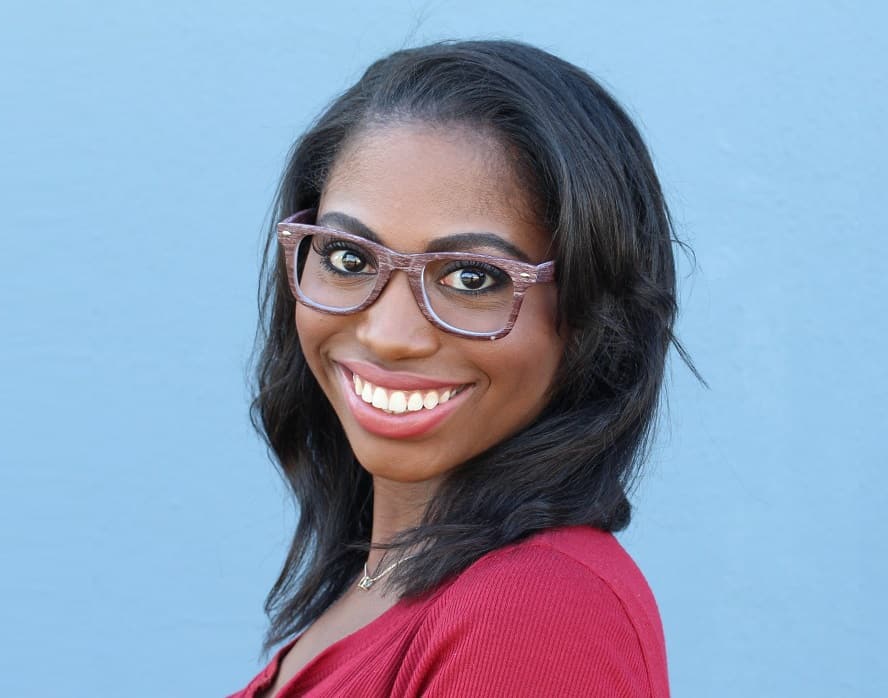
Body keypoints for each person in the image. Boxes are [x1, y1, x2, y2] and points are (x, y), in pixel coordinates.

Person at [229, 39, 690, 698]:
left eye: (473, 277)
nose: (388, 335)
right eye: (349, 258)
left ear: (593, 317)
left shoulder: (532, 616)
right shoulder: (388, 581)